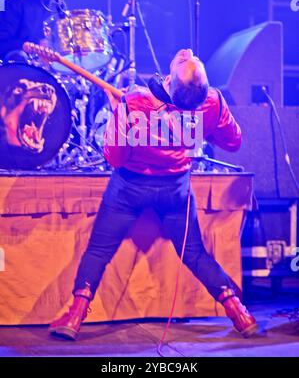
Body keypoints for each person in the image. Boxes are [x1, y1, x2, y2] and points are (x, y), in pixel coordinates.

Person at [49, 48, 258, 340]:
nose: (188, 51)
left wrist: (118, 113)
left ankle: (74, 316)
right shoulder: (211, 102)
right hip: (175, 191)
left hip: (130, 190)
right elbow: (233, 142)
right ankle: (238, 311)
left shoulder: (134, 102)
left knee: (98, 250)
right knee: (195, 254)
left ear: (169, 81)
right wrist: (207, 122)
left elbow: (114, 158)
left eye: (187, 60)